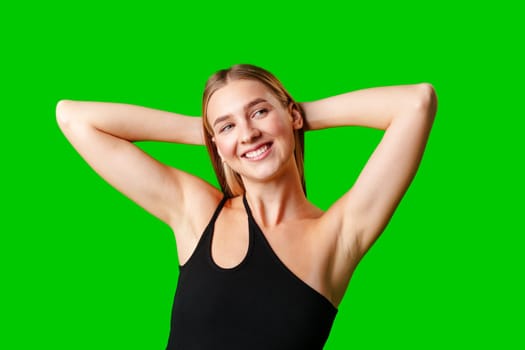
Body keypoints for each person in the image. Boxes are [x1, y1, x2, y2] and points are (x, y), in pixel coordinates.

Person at [56, 64, 437, 349]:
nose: (249, 132)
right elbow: (73, 117)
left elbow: (416, 102)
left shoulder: (338, 234)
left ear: (292, 114)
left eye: (259, 112)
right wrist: (212, 134)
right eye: (227, 126)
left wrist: (293, 117)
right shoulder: (199, 213)